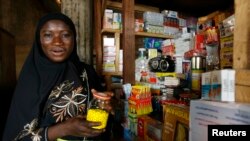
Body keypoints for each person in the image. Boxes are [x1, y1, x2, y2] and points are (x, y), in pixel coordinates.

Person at [2, 12, 114, 141]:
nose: (57, 42)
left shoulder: (87, 72)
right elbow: (18, 137)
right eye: (48, 35)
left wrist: (105, 105)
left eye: (65, 35)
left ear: (74, 38)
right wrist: (64, 129)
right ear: (39, 40)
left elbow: (100, 114)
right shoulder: (31, 80)